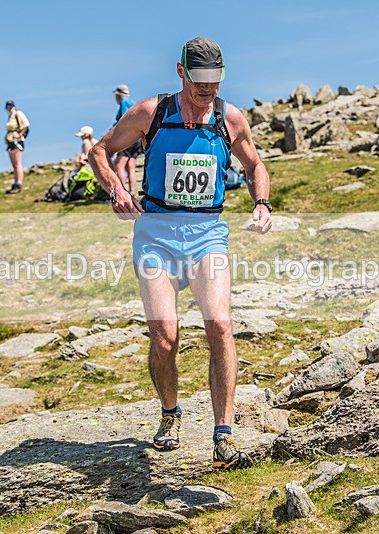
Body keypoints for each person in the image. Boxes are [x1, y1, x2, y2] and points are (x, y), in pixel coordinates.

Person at [89, 37, 273, 469]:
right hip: (156, 233)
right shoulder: (151, 113)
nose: (207, 89)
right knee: (165, 337)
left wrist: (261, 202)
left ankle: (223, 434)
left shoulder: (230, 118)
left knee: (221, 326)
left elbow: (255, 165)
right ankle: (170, 414)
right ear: (181, 72)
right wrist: (116, 189)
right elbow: (100, 151)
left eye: (215, 80)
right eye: (199, 80)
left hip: (208, 233)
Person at [113, 85, 142, 194]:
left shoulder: (124, 102)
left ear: (118, 93)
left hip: (128, 137)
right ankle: (132, 191)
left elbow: (124, 119)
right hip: (137, 137)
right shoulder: (133, 102)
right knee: (131, 166)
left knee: (119, 165)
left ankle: (121, 191)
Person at [4, 100, 30, 194]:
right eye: (7, 106)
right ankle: (15, 183)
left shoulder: (18, 114)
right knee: (14, 165)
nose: (9, 108)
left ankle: (19, 183)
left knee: (17, 163)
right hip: (10, 141)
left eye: (10, 106)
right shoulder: (10, 117)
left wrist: (19, 134)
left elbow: (26, 125)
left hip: (17, 141)